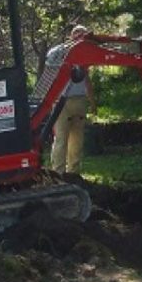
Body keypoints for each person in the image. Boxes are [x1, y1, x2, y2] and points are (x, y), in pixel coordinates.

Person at [48, 25, 96, 176]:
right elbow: (50, 71)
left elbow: (87, 79)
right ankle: (58, 172)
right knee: (61, 137)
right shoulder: (59, 52)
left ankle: (74, 173)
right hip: (62, 102)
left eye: (82, 34)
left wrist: (92, 101)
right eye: (76, 33)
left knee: (77, 138)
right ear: (70, 36)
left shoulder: (85, 55)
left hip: (79, 101)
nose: (79, 36)